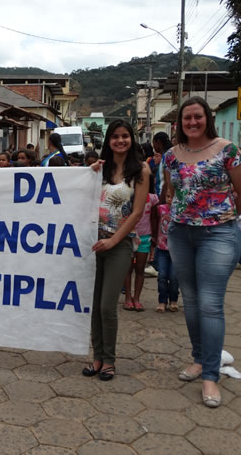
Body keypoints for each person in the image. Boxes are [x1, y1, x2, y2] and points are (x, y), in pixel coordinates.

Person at [164, 96, 241, 408]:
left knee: (210, 304)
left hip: (218, 235)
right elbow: (172, 192)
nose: (192, 122)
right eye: (187, 118)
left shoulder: (228, 150)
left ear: (207, 119)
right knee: (190, 301)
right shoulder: (171, 156)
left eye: (197, 116)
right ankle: (200, 359)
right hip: (180, 233)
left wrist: (221, 218)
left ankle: (211, 376)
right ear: (180, 123)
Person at [83, 119, 150, 381]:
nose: (120, 141)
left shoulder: (141, 171)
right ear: (108, 140)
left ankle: (109, 360)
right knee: (94, 305)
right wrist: (88, 173)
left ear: (132, 139)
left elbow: (137, 212)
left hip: (119, 244)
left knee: (107, 306)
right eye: (115, 136)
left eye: (125, 136)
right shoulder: (100, 169)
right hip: (93, 242)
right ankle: (97, 357)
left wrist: (113, 241)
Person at [123, 189, 159, 311]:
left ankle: (136, 298)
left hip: (144, 238)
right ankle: (128, 298)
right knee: (127, 269)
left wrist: (154, 236)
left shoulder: (152, 198)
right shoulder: (126, 196)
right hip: (128, 236)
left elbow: (154, 217)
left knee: (140, 269)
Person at [153, 192, 179, 312]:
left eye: (173, 197)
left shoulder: (181, 210)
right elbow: (153, 220)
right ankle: (162, 301)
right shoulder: (160, 209)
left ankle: (173, 300)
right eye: (168, 196)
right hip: (162, 249)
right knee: (162, 276)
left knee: (174, 277)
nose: (170, 199)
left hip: (177, 250)